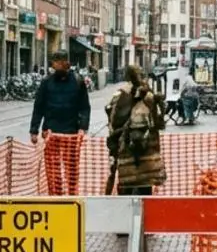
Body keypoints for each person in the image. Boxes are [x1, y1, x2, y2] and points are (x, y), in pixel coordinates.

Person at [30, 49, 92, 195]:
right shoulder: (46, 83)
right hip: (51, 132)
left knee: (71, 169)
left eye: (58, 62)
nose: (56, 65)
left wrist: (83, 127)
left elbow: (84, 107)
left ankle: (71, 196)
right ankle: (56, 197)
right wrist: (34, 130)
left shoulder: (77, 82)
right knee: (53, 170)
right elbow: (38, 107)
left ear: (66, 63)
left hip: (71, 133)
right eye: (54, 63)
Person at [106, 65, 166, 199]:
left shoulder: (120, 94)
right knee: (145, 191)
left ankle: (126, 216)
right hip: (147, 153)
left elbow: (113, 121)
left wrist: (113, 145)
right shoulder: (149, 96)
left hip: (125, 151)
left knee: (126, 191)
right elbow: (159, 123)